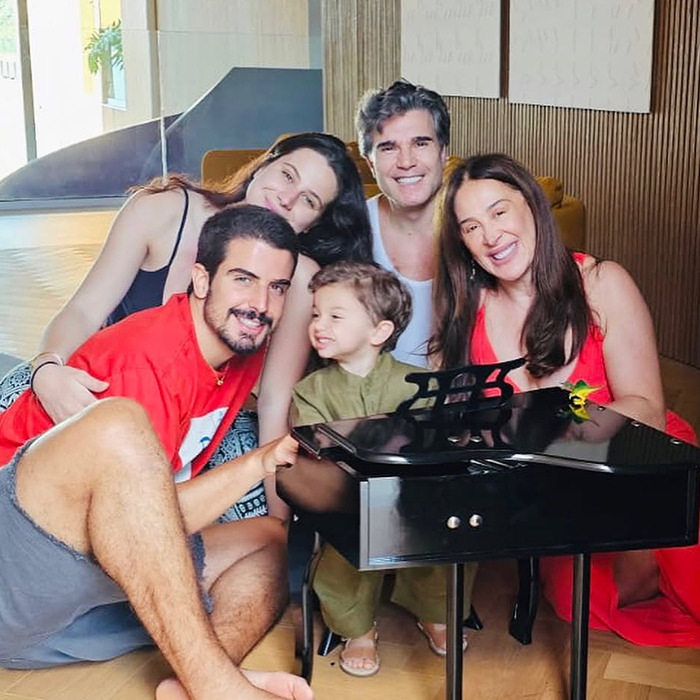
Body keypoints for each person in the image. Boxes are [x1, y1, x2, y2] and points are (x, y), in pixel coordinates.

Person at [0, 205, 314, 699]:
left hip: (77, 579)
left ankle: (191, 683)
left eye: (278, 287)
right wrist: (255, 463)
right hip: (16, 561)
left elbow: (149, 522)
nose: (260, 303)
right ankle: (219, 688)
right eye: (244, 279)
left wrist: (268, 458)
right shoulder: (149, 361)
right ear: (202, 279)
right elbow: (146, 521)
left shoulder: (236, 355)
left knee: (270, 540)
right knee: (121, 421)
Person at [0, 132, 373, 521]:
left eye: (309, 201)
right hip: (97, 387)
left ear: (313, 224)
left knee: (260, 508)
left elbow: (274, 401)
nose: (287, 198)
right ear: (263, 165)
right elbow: (83, 310)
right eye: (287, 175)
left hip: (195, 418)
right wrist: (47, 369)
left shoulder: (299, 279)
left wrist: (277, 525)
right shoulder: (162, 212)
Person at [430, 152, 700, 647]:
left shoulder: (602, 283)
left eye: (499, 211)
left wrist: (548, 432)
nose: (490, 236)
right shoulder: (467, 312)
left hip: (642, 459)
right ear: (463, 245)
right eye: (471, 226)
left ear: (532, 207)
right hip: (552, 486)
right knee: (586, 604)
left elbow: (647, 408)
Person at [290, 261, 475, 676]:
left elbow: (440, 443)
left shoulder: (419, 383)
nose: (320, 324)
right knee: (343, 548)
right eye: (316, 314)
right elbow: (314, 454)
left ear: (380, 332)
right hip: (348, 499)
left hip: (415, 496)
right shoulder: (311, 391)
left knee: (447, 530)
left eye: (336, 316)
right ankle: (356, 627)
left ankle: (434, 610)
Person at [356, 79, 449, 367]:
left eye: (420, 143)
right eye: (388, 148)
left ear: (443, 152)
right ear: (370, 164)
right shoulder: (349, 229)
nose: (406, 161)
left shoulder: (476, 229)